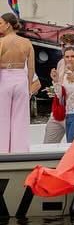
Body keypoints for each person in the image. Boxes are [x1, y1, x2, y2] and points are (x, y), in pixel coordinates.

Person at [0, 13, 36, 153]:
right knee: (20, 118)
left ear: (8, 24)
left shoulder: (1, 42)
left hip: (5, 78)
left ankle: (2, 150)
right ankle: (19, 150)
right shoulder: (27, 43)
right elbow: (31, 67)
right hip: (21, 78)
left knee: (3, 117)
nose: (0, 26)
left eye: (1, 23)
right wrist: (28, 86)